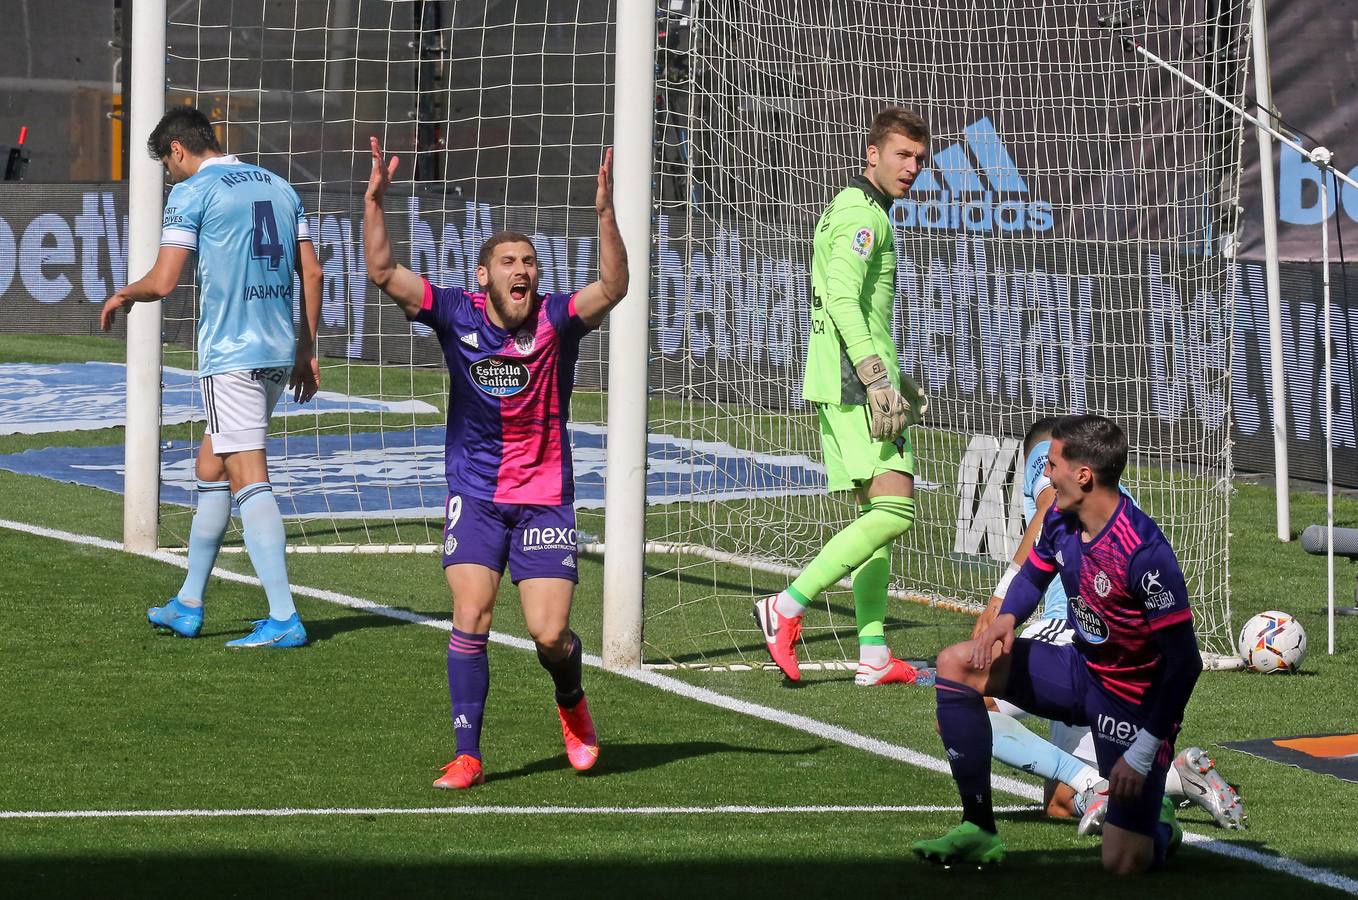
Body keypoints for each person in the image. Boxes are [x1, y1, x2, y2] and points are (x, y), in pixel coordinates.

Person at [362, 136, 627, 789]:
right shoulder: (456, 312)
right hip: (476, 495)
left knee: (549, 633)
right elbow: (382, 272)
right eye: (509, 260)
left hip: (543, 496)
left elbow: (615, 286)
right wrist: (374, 202)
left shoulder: (559, 320)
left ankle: (571, 699)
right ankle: (469, 755)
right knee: (471, 615)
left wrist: (603, 213)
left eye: (530, 261)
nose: (522, 269)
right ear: (484, 275)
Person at [913, 415, 1204, 873]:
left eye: (1051, 465)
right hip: (1077, 669)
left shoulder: (1144, 553)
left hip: (1130, 703)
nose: (1044, 476)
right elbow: (1035, 573)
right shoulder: (1061, 521)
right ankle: (978, 829)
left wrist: (1146, 749)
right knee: (957, 664)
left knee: (1123, 863)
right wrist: (1006, 617)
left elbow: (1185, 663)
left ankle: (1160, 821)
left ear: (1083, 475)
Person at [101, 106, 322, 649]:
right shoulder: (278, 184)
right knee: (212, 466)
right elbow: (311, 270)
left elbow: (164, 280)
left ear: (178, 149)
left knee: (248, 473)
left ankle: (284, 616)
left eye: (166, 164)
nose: (169, 175)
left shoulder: (193, 192)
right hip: (277, 348)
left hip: (233, 352)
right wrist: (308, 349)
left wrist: (126, 293)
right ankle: (189, 603)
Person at [978, 419, 1244, 831]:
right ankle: (1176, 779)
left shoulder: (1043, 458)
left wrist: (999, 598)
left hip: (1068, 631)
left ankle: (1113, 795)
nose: (1046, 470)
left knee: (973, 691)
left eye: (1052, 463)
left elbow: (1046, 508)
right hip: (1095, 652)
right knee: (1060, 805)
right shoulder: (1101, 485)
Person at [754, 107, 930, 686]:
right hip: (857, 384)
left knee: (874, 515)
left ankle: (874, 653)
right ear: (871, 154)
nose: (911, 168)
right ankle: (788, 604)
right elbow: (841, 295)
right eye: (901, 155)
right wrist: (879, 377)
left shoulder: (849, 206)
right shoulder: (863, 216)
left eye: (919, 160)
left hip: (843, 377)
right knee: (896, 509)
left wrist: (895, 377)